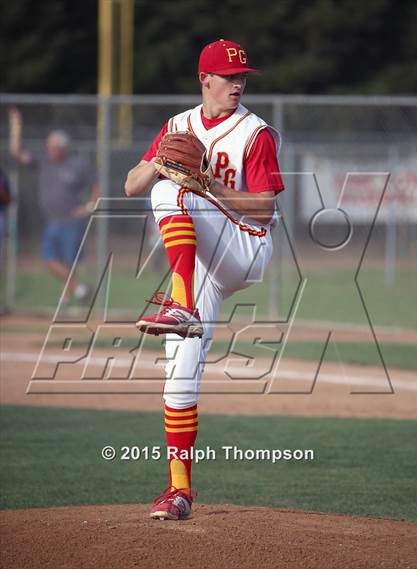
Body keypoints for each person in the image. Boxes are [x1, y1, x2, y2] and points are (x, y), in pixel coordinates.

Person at [125, 39, 285, 520]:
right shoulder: (178, 127)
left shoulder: (254, 133)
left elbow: (268, 206)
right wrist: (158, 161)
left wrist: (209, 183)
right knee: (179, 375)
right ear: (205, 80)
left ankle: (181, 303)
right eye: (230, 77)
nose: (238, 84)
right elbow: (131, 184)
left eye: (243, 78)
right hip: (203, 266)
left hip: (245, 246)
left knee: (176, 189)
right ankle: (178, 492)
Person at [8, 108, 99, 304]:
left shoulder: (78, 164)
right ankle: (79, 289)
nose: (48, 149)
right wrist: (16, 126)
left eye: (52, 147)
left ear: (62, 148)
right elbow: (17, 153)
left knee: (68, 261)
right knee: (49, 259)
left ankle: (66, 298)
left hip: (71, 221)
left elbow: (96, 183)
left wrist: (89, 206)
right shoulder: (44, 163)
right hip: (52, 221)